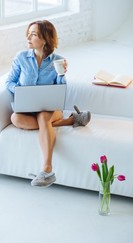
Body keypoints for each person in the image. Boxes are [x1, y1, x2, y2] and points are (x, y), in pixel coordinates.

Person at [5, 20, 91, 188]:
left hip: (49, 109)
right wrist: (20, 91)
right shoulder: (21, 57)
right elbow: (9, 81)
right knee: (15, 118)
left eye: (34, 34)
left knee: (44, 117)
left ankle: (47, 170)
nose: (28, 37)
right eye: (28, 33)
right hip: (28, 109)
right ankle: (72, 120)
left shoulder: (58, 61)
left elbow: (60, 90)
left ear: (45, 39)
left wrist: (61, 74)